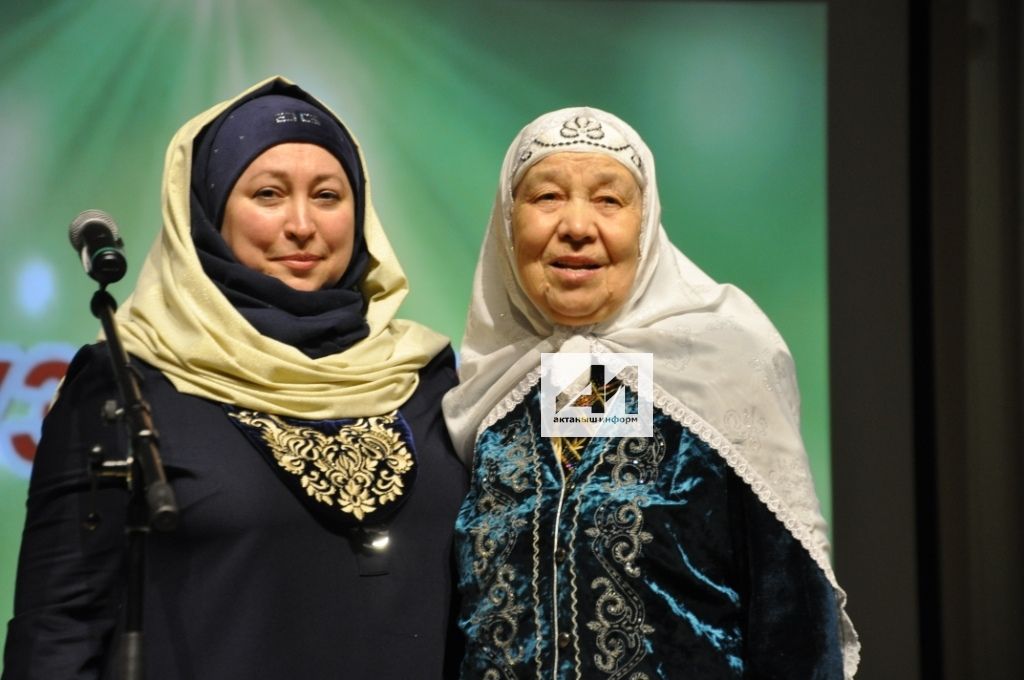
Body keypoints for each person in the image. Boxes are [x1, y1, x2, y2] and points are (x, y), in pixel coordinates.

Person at [3, 76, 467, 679]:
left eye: (328, 196)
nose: (302, 224)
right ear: (207, 210)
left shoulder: (422, 373)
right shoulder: (126, 380)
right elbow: (58, 628)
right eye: (268, 194)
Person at [442, 108, 860, 678]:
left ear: (646, 223)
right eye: (546, 197)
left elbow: (794, 619)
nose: (577, 225)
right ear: (508, 221)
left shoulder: (726, 364)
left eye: (609, 200)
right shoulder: (489, 390)